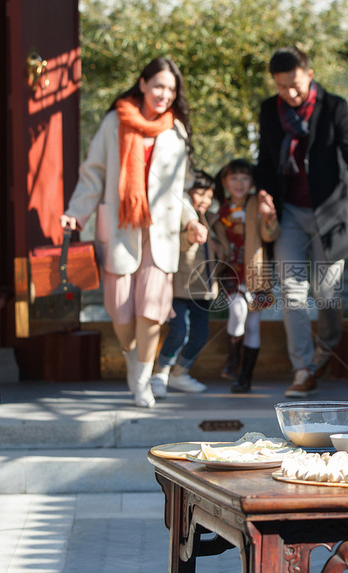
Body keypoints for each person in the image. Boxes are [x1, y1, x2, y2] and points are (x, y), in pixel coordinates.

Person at [61, 57, 206, 409]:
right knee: (120, 312)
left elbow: (181, 188)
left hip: (162, 234)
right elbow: (93, 173)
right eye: (158, 86)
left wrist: (192, 219)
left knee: (152, 312)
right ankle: (134, 360)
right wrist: (75, 213)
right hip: (121, 230)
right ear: (142, 84)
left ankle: (143, 379)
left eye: (171, 89)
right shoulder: (114, 122)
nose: (164, 95)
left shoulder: (176, 132)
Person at [256, 46, 348, 398]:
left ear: (308, 74)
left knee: (326, 293)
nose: (288, 93)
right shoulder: (269, 111)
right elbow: (263, 157)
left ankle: (327, 346)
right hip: (289, 210)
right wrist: (263, 193)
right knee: (291, 292)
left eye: (293, 84)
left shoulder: (334, 107)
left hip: (330, 212)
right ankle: (302, 369)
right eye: (280, 86)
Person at [149, 170, 219, 397]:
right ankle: (160, 373)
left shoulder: (213, 219)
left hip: (204, 291)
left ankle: (180, 373)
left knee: (199, 334)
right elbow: (178, 243)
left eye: (209, 196)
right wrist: (190, 236)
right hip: (179, 289)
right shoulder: (181, 216)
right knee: (179, 331)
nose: (204, 200)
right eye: (199, 193)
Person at [211, 159, 280, 393]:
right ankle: (233, 361)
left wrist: (270, 218)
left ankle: (244, 377)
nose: (239, 183)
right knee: (238, 311)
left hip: (256, 271)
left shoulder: (256, 204)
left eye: (245, 178)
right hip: (230, 271)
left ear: (252, 182)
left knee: (253, 325)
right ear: (225, 182)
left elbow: (269, 236)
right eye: (234, 178)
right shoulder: (219, 210)